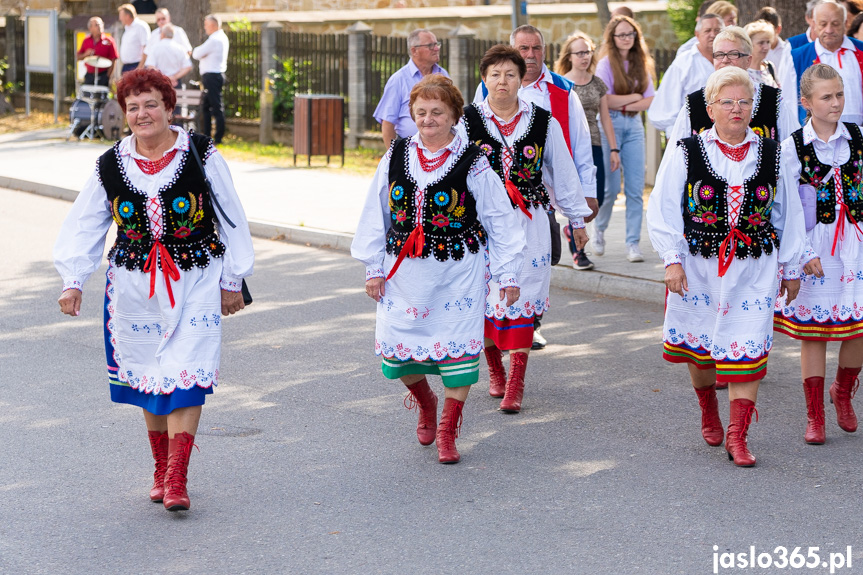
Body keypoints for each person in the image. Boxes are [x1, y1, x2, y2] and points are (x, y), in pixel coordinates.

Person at [54, 68, 254, 510]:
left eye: (151, 104)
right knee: (150, 376)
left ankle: (178, 476)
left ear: (169, 107)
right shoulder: (110, 163)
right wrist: (73, 281)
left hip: (196, 278)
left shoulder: (201, 153)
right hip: (133, 286)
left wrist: (233, 279)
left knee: (188, 372)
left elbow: (231, 216)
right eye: (133, 107)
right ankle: (160, 467)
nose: (142, 114)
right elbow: (85, 223)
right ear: (125, 114)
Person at [352, 74, 526, 464]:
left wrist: (507, 274)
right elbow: (374, 213)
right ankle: (426, 402)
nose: (428, 119)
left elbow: (499, 219)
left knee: (458, 357)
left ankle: (448, 429)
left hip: (457, 273)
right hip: (404, 274)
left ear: (453, 116)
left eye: (437, 112)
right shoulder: (395, 154)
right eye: (421, 112)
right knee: (398, 361)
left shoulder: (473, 161)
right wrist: (373, 267)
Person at [647, 67, 807, 467]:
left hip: (755, 265)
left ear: (753, 107)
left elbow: (788, 213)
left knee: (747, 346)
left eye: (744, 101)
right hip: (699, 265)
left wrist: (791, 266)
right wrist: (672, 261)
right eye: (727, 101)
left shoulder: (772, 151)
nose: (737, 109)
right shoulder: (687, 149)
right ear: (710, 107)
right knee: (700, 351)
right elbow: (664, 207)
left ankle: (738, 435)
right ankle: (707, 409)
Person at [463, 45, 591, 413]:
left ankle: (516, 381)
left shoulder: (542, 122)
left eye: (510, 75)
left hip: (529, 220)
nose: (502, 82)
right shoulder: (466, 122)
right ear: (484, 80)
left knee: (525, 293)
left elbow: (563, 173)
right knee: (482, 296)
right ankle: (494, 371)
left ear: (522, 80)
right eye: (494, 75)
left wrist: (576, 220)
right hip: (480, 225)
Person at [474, 25, 599, 350]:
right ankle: (497, 362)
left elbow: (577, 154)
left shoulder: (560, 94)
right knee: (488, 289)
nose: (530, 55)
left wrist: (582, 209)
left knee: (533, 277)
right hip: (487, 216)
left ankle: (522, 354)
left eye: (535, 49)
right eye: (523, 49)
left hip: (535, 207)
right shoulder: (475, 107)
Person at [775, 64, 862, 444]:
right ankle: (815, 413)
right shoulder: (792, 147)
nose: (836, 103)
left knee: (858, 324)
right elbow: (786, 208)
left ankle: (842, 392)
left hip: (856, 244)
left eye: (839, 94)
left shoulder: (858, 137)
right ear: (806, 102)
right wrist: (800, 253)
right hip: (816, 247)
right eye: (826, 97)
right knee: (815, 332)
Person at [664, 27, 799, 149]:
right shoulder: (694, 103)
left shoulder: (773, 100)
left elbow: (793, 148)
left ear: (748, 61)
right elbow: (674, 156)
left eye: (734, 54)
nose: (725, 60)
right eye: (719, 54)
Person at [554, 31, 620, 270]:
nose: (584, 57)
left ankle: (571, 231)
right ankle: (578, 253)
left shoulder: (597, 83)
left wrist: (614, 149)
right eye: (579, 52)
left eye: (587, 52)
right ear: (569, 56)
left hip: (594, 145)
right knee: (575, 197)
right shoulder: (559, 83)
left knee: (596, 199)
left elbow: (606, 118)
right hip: (567, 147)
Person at [593, 15, 655, 263]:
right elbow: (604, 101)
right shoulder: (605, 64)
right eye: (621, 34)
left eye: (630, 34)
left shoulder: (642, 62)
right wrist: (635, 96)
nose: (626, 38)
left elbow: (651, 100)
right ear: (612, 37)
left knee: (634, 190)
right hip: (610, 126)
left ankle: (633, 244)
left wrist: (626, 99)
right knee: (609, 190)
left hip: (634, 127)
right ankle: (598, 229)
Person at [784, 0, 863, 126]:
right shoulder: (797, 56)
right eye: (823, 24)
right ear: (814, 24)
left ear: (846, 23)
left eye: (835, 24)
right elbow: (788, 102)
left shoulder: (860, 50)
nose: (829, 30)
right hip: (816, 139)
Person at [649, 13, 723, 139]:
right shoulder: (683, 63)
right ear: (697, 34)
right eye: (708, 30)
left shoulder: (730, 61)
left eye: (717, 30)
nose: (713, 34)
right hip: (690, 133)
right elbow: (668, 104)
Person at [373, 29, 449, 148]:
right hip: (410, 149)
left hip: (441, 148)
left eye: (437, 44)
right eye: (430, 45)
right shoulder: (398, 79)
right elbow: (387, 123)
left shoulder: (443, 75)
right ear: (414, 50)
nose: (436, 48)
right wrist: (394, 158)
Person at [193, 14, 230, 145]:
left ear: (213, 25)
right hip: (213, 75)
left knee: (215, 106)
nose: (205, 28)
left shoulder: (215, 39)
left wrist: (195, 51)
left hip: (212, 76)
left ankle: (218, 137)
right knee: (206, 106)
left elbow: (197, 53)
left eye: (206, 25)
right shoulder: (220, 37)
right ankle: (207, 135)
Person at [76, 17, 118, 87]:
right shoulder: (86, 41)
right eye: (96, 25)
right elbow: (78, 57)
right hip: (89, 75)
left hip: (103, 75)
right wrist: (86, 54)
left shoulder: (109, 41)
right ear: (90, 28)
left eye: (100, 24)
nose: (99, 27)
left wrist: (108, 76)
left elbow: (114, 59)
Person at [753, 7, 792, 81]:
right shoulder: (753, 53)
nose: (765, 47)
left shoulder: (788, 51)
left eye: (769, 32)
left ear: (778, 29)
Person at [745, 20, 780, 88]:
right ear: (749, 44)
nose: (766, 47)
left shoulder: (770, 67)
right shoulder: (742, 72)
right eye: (761, 43)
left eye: (768, 42)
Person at [117, 3, 150, 73]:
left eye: (121, 16)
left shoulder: (141, 26)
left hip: (136, 66)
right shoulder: (127, 28)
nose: (120, 19)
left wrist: (140, 67)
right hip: (126, 66)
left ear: (127, 16)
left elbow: (146, 48)